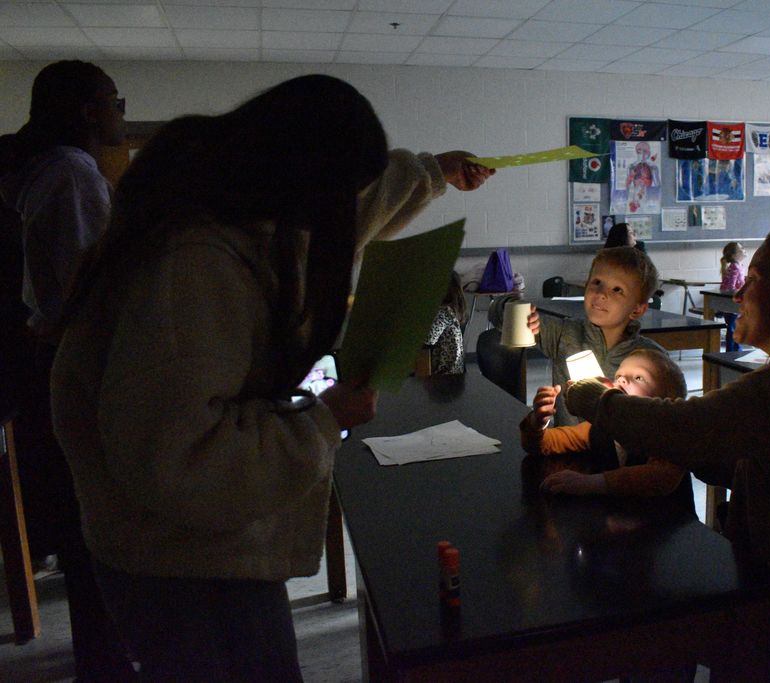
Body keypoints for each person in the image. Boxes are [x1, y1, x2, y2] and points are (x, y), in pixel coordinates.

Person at [48, 74, 494, 680]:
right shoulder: (193, 265)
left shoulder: (238, 213)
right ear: (299, 181)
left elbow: (354, 208)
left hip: (192, 544)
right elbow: (182, 457)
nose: (341, 215)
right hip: (180, 562)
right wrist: (323, 419)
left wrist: (433, 173)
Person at [565, 224, 770, 679]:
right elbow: (720, 451)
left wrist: (597, 400)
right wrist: (673, 442)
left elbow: (691, 429)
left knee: (647, 606)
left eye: (754, 280)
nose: (738, 293)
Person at [0, 60, 135, 681]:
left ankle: (101, 659)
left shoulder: (28, 169)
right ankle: (106, 664)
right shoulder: (74, 173)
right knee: (96, 532)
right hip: (73, 369)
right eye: (115, 101)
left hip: (35, 373)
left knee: (80, 531)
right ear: (88, 110)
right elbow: (84, 294)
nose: (119, 113)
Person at [521, 348, 693, 507]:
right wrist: (538, 422)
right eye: (619, 376)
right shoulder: (601, 427)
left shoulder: (666, 437)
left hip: (665, 527)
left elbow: (660, 477)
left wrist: (590, 483)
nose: (622, 379)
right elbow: (543, 445)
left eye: (639, 377)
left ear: (665, 403)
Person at [532, 246, 666, 427]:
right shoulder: (563, 334)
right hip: (568, 450)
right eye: (597, 282)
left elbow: (666, 421)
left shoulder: (652, 360)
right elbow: (501, 314)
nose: (601, 294)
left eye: (617, 289)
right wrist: (515, 312)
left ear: (637, 309)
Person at [425, 270, 467, 375]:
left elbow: (427, 340)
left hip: (444, 374)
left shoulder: (443, 312)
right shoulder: (452, 309)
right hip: (455, 372)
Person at [718, 241, 746, 352]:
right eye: (741, 249)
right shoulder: (735, 267)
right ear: (734, 255)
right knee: (732, 327)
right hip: (730, 302)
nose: (744, 250)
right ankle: (732, 350)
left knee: (733, 326)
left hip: (733, 301)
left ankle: (735, 348)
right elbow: (731, 286)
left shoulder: (739, 266)